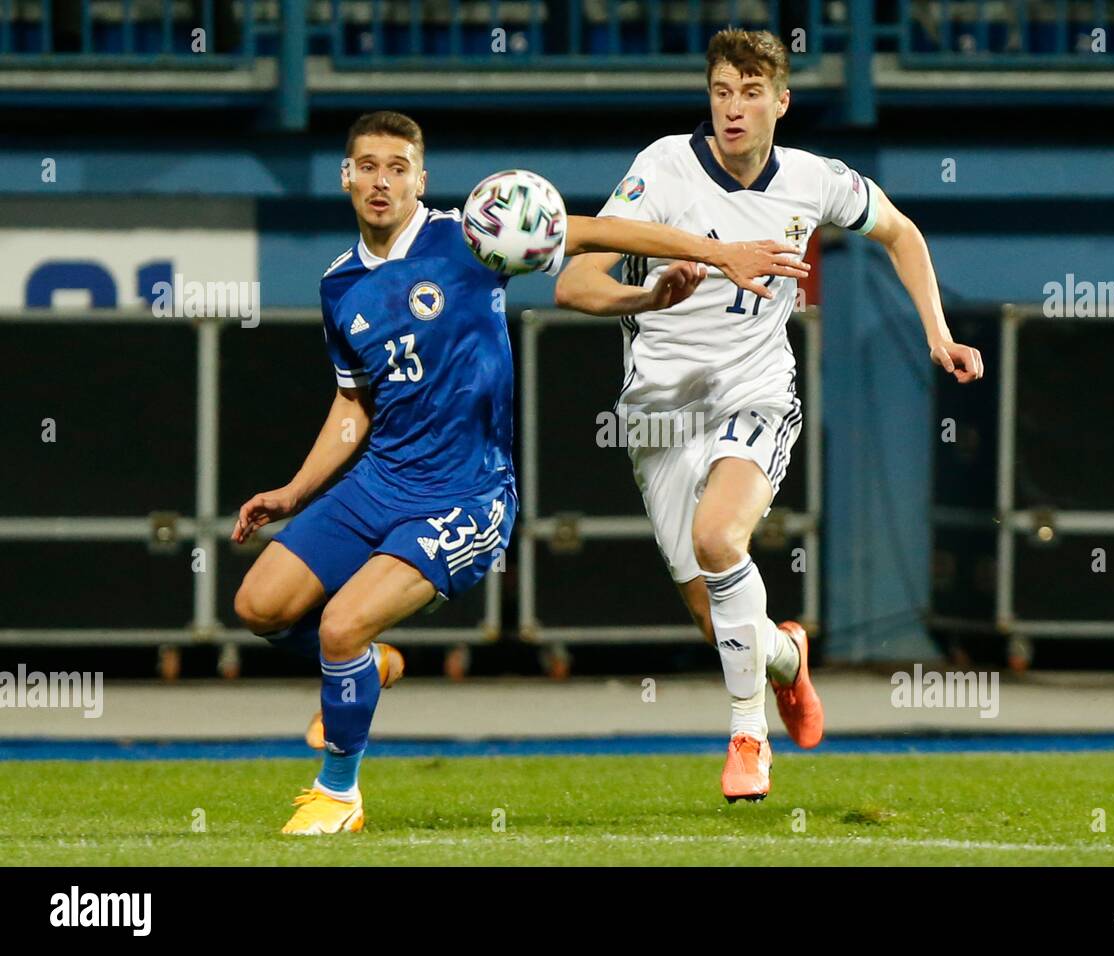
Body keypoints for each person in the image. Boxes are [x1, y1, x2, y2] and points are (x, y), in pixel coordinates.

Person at [231, 110, 810, 834]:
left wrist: (711, 256)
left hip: (467, 496)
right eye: (369, 166)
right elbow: (354, 404)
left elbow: (594, 231)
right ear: (346, 176)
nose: (383, 181)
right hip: (380, 482)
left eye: (398, 167)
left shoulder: (472, 238)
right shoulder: (339, 285)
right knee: (259, 607)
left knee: (342, 625)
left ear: (421, 179)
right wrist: (292, 492)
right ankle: (366, 667)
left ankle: (338, 793)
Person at [556, 30, 983, 802]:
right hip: (658, 416)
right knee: (720, 624)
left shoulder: (815, 181)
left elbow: (900, 233)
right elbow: (573, 283)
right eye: (721, 91)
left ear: (780, 102)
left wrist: (939, 332)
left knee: (720, 538)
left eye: (751, 92)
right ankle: (786, 659)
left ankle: (748, 739)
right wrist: (645, 296)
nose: (733, 108)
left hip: (754, 392)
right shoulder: (661, 169)